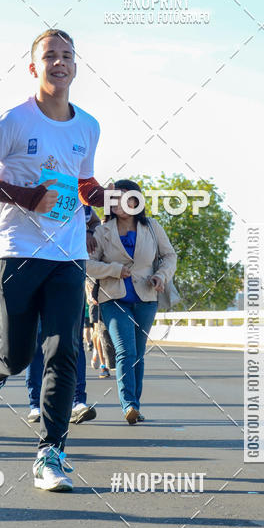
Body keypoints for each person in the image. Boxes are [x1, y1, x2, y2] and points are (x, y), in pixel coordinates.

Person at [0, 28, 112, 491]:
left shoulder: (88, 126)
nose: (59, 62)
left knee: (65, 349)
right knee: (19, 352)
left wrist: (109, 199)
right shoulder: (13, 120)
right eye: (50, 56)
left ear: (76, 66)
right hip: (18, 250)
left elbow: (83, 183)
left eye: (67, 55)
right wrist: (25, 196)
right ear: (34, 67)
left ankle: (51, 452)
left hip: (69, 253)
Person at [87, 179, 177, 424]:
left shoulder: (152, 227)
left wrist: (161, 276)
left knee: (137, 353)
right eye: (114, 198)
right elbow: (87, 264)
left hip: (147, 297)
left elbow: (169, 255)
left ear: (137, 200)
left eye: (125, 197)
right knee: (125, 351)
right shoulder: (102, 231)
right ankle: (128, 404)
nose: (119, 202)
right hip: (113, 299)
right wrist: (114, 270)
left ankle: (135, 405)